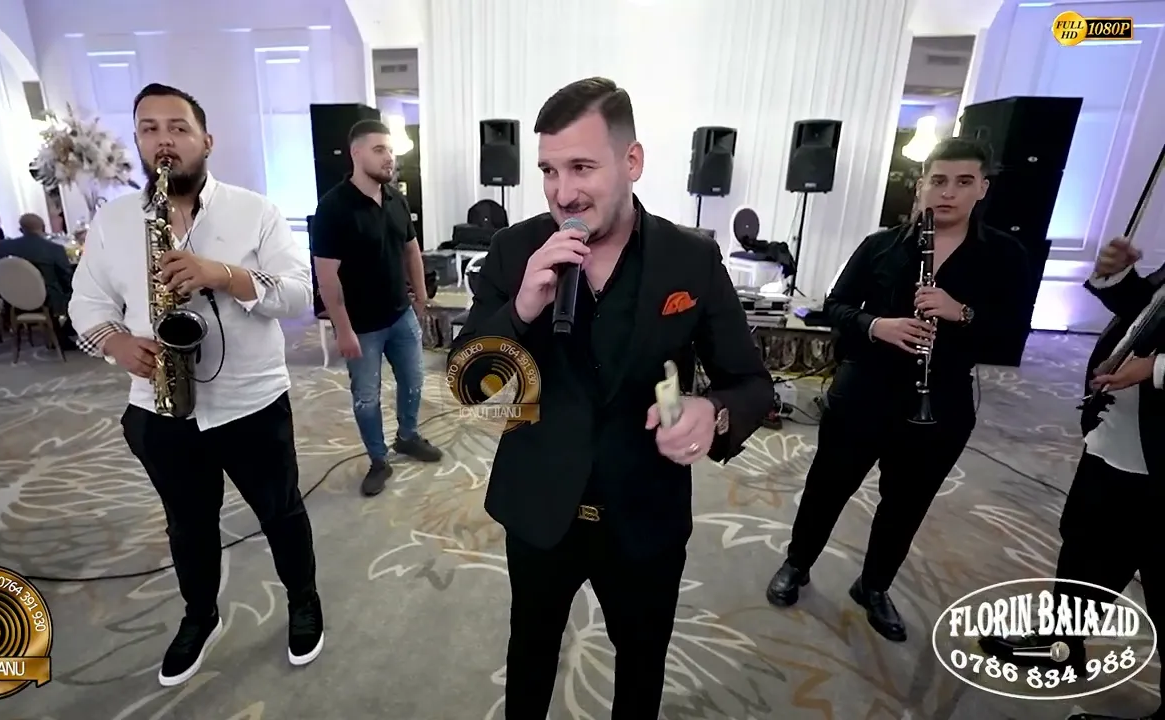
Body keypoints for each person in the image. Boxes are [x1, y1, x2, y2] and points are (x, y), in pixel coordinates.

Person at [448, 77, 773, 718]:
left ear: (632, 162)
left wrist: (712, 413)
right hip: (540, 504)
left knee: (642, 661)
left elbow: (751, 383)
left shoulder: (691, 259)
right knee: (531, 650)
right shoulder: (514, 250)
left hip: (645, 512)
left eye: (582, 167)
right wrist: (521, 308)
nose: (563, 192)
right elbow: (469, 384)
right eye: (548, 170)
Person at [69, 82, 324, 687]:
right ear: (138, 141)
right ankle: (200, 615)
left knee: (281, 511)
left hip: (251, 401)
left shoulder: (254, 211)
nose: (164, 141)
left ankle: (303, 600)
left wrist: (223, 274)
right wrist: (116, 343)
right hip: (159, 408)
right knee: (188, 525)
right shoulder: (113, 221)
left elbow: (298, 295)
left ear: (206, 140)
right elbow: (86, 304)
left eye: (178, 128)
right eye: (149, 129)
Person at [764, 138, 1031, 642]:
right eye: (938, 180)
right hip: (864, 391)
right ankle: (798, 563)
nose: (948, 192)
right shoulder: (881, 245)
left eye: (963, 182)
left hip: (942, 401)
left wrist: (961, 312)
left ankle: (874, 585)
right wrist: (875, 326)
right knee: (827, 486)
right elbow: (834, 306)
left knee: (905, 504)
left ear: (982, 188)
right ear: (921, 185)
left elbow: (1013, 334)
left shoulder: (1005, 255)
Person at [978, 236, 1163, 720]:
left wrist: (1158, 368)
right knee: (1085, 548)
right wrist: (1119, 278)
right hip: (1116, 440)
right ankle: (1061, 645)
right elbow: (1148, 316)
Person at [312, 119, 442, 497]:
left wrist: (421, 298)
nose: (390, 158)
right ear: (356, 153)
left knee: (414, 381)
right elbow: (327, 278)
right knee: (367, 398)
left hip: (401, 315)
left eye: (391, 150)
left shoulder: (395, 198)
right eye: (380, 149)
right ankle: (378, 459)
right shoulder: (333, 208)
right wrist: (343, 329)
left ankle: (408, 436)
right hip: (362, 326)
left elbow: (411, 250)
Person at [0, 213, 76, 345]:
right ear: (43, 228)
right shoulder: (54, 249)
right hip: (48, 300)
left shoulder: (2, 247)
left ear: (21, 229)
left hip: (11, 300)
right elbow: (66, 277)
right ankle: (64, 332)